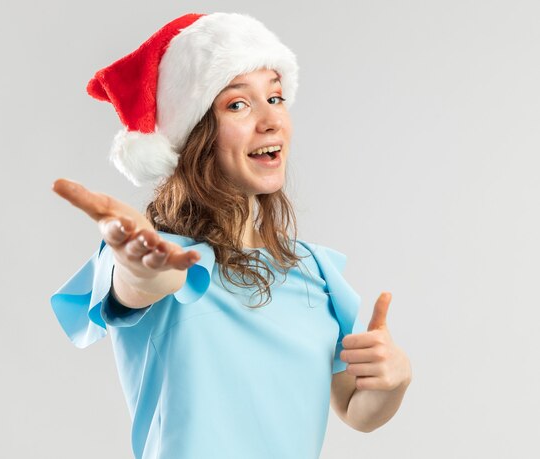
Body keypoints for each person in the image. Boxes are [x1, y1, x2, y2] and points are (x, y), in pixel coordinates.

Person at [51, 12, 412, 459]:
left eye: (276, 98)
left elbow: (357, 409)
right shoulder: (163, 256)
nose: (271, 120)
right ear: (196, 134)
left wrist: (392, 379)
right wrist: (141, 267)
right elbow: (145, 284)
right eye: (238, 104)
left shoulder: (315, 273)